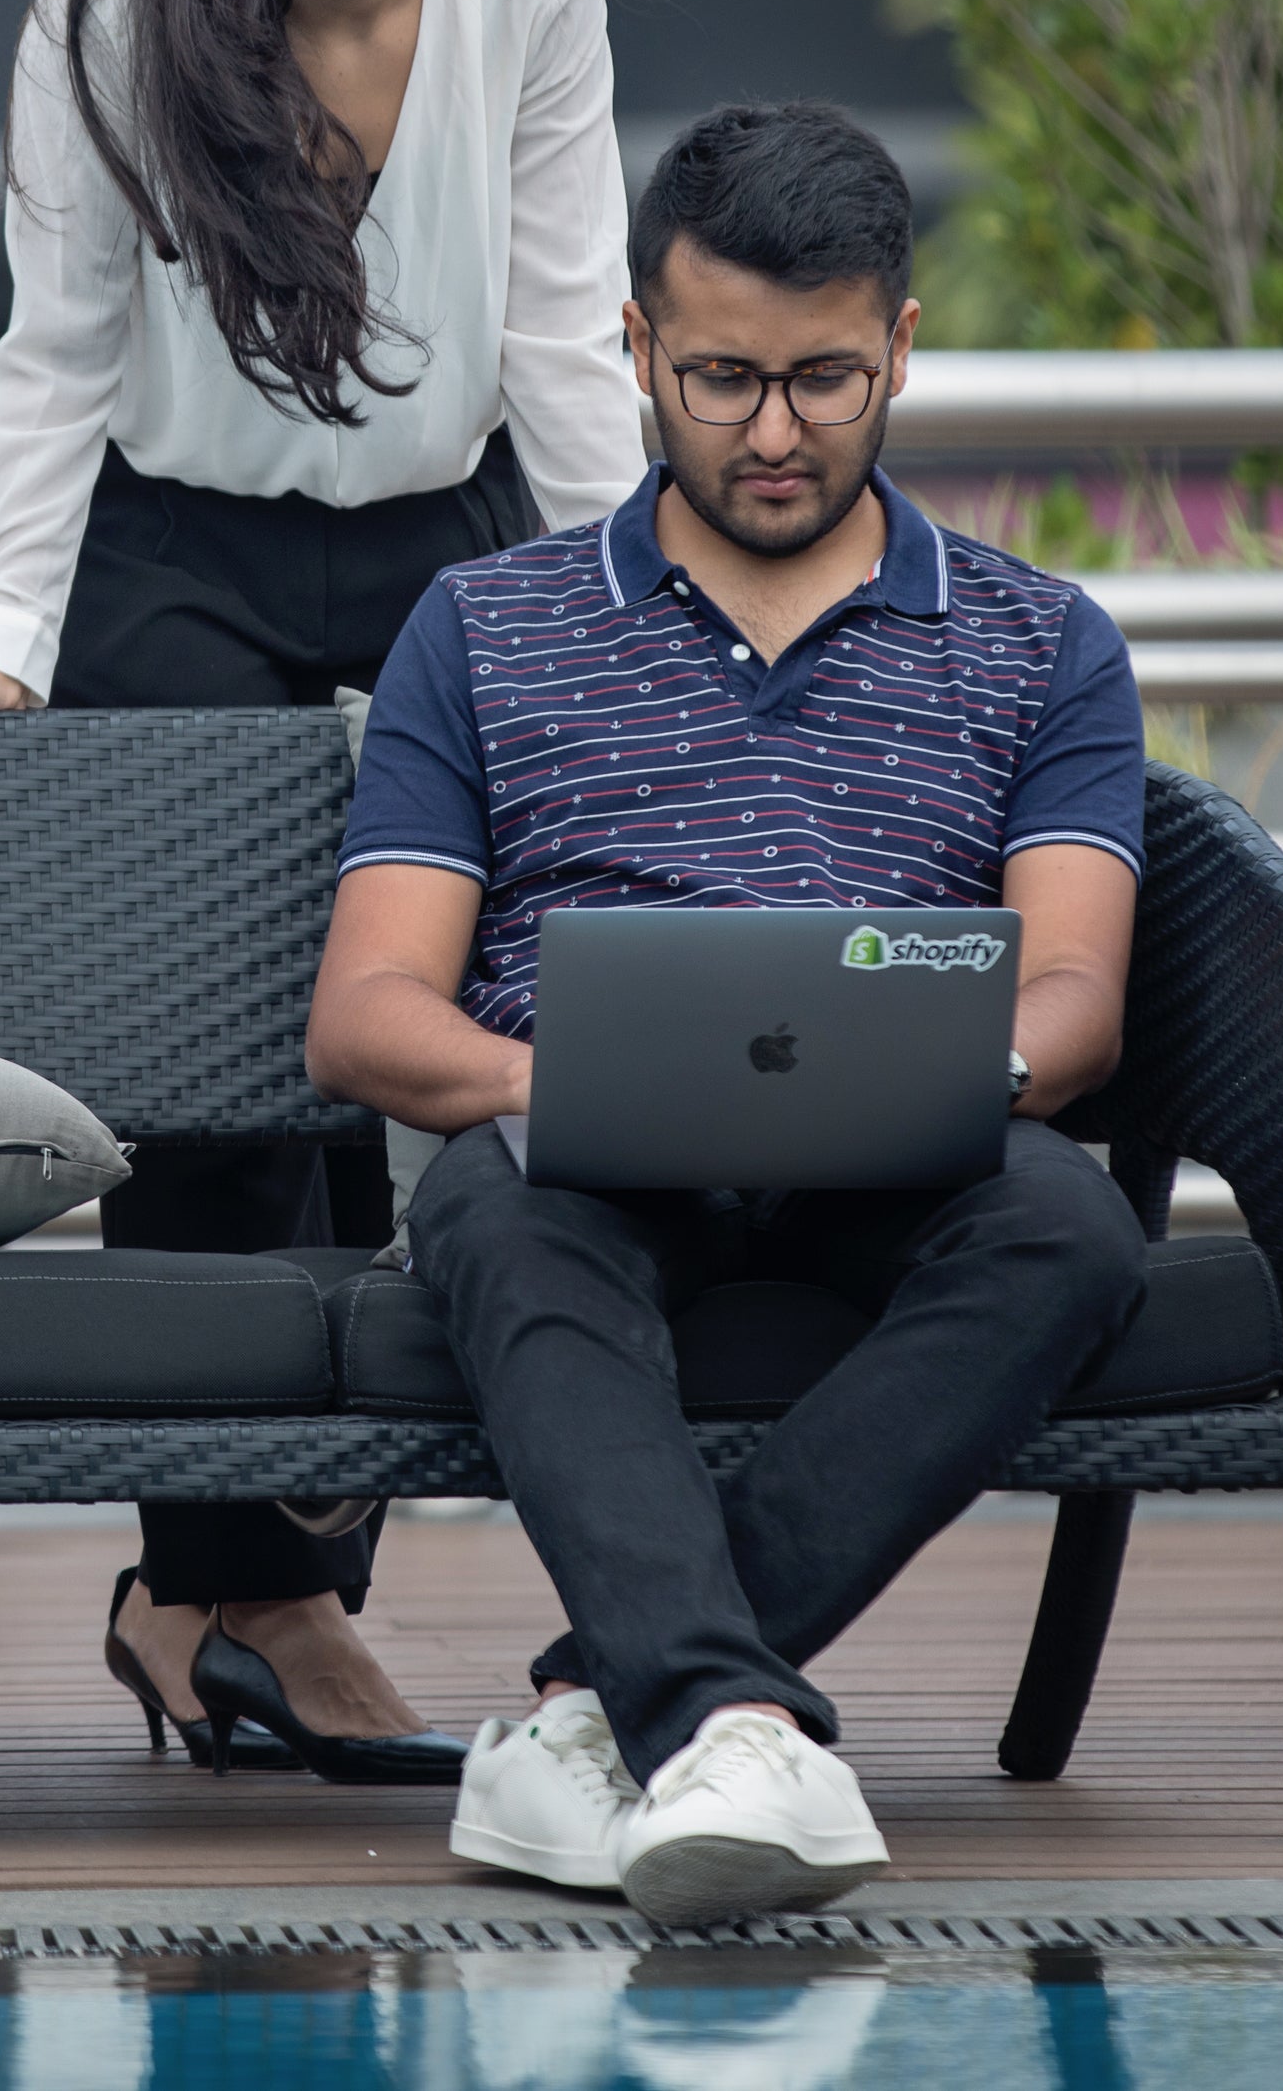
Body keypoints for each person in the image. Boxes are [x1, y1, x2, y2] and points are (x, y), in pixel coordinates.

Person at [0, 0, 643, 1782]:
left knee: (459, 1011)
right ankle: (229, 1590)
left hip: (445, 530)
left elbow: (565, 329)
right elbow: (53, 354)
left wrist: (627, 615)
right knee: (211, 1073)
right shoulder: (113, 16)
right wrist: (6, 642)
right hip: (176, 548)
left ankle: (251, 1596)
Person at [303, 101, 1154, 1922]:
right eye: (718, 379)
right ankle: (732, 1717)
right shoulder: (485, 624)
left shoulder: (1039, 640)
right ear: (632, 345)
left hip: (902, 1171)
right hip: (575, 1161)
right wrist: (587, 1084)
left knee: (1070, 1218)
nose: (773, 432)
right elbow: (370, 1014)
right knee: (500, 1212)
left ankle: (603, 1708)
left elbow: (1076, 997)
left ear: (904, 347)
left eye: (828, 380)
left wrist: (955, 1075)